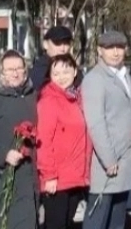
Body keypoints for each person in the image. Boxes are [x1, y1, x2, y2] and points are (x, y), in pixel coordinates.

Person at [0, 50, 39, 229]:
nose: (16, 73)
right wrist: (4, 154)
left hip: (27, 175)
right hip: (0, 174)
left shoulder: (33, 96)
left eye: (20, 68)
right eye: (10, 69)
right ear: (1, 72)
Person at [82, 30, 131, 229]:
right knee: (98, 217)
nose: (116, 52)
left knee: (117, 218)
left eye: (120, 47)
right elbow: (96, 122)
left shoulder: (125, 75)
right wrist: (108, 158)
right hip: (107, 161)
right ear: (99, 50)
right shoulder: (95, 79)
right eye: (110, 48)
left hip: (125, 158)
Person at [37, 54, 91, 229]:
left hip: (76, 176)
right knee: (56, 224)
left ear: (75, 71)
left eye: (66, 71)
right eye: (56, 73)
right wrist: (49, 175)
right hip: (57, 179)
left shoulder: (77, 99)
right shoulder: (49, 101)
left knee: (69, 224)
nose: (61, 77)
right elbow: (43, 141)